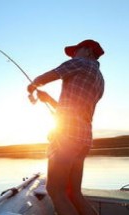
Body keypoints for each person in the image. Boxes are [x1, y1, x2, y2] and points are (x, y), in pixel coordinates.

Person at [27, 39, 105, 215]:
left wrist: (32, 87)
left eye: (74, 52)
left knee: (56, 191)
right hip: (83, 139)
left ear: (86, 50)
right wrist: (49, 100)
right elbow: (74, 109)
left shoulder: (80, 63)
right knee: (74, 193)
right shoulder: (100, 80)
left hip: (67, 138)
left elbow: (43, 79)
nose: (72, 56)